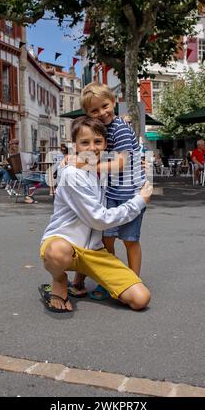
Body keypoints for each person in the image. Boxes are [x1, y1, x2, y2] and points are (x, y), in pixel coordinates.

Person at [39, 116, 152, 313]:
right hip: (66, 245)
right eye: (85, 142)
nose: (92, 147)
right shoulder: (72, 174)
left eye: (98, 141)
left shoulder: (103, 170)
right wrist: (139, 201)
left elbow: (124, 162)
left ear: (106, 143)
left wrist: (138, 164)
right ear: (74, 145)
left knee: (141, 299)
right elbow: (99, 220)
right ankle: (59, 280)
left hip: (94, 251)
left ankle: (84, 278)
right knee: (57, 251)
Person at [80, 83, 146, 300]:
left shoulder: (120, 128)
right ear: (88, 114)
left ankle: (131, 281)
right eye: (94, 110)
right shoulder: (103, 129)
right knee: (107, 240)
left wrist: (90, 166)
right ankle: (110, 279)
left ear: (114, 102)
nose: (102, 113)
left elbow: (120, 162)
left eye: (105, 106)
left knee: (130, 239)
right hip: (111, 193)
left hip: (131, 193)